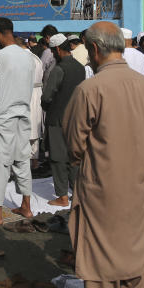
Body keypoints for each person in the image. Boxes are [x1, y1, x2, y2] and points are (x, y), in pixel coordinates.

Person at [63, 21, 144, 288]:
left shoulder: (91, 89)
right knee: (137, 258)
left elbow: (74, 144)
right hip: (139, 184)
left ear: (96, 50)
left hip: (102, 186)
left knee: (101, 263)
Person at [0, 17, 36, 225]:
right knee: (22, 160)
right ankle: (27, 206)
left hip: (2, 117)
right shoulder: (27, 57)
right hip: (22, 113)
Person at [42, 34, 85, 207]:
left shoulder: (59, 69)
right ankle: (76, 192)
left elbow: (47, 96)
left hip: (58, 118)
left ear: (58, 49)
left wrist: (46, 106)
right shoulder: (80, 68)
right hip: (76, 118)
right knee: (73, 157)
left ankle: (62, 196)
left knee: (58, 158)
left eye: (53, 51)